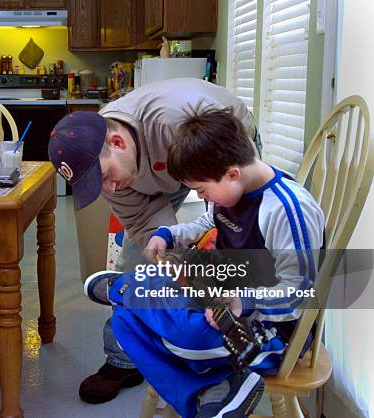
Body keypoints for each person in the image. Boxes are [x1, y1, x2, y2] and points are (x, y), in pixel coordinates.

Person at [86, 106, 324, 417]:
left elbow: (302, 292)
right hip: (221, 300)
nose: (204, 198)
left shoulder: (286, 209)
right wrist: (168, 233)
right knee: (123, 323)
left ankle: (127, 289)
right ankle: (216, 391)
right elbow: (205, 224)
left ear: (232, 173)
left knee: (182, 333)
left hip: (270, 332)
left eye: (201, 190)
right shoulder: (232, 192)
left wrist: (245, 301)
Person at [48, 78, 260, 403]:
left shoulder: (176, 121)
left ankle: (236, 353)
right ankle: (123, 358)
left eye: (104, 178)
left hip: (220, 145)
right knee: (139, 255)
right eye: (95, 185)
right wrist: (171, 265)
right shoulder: (111, 163)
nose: (109, 191)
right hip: (153, 167)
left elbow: (231, 192)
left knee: (231, 249)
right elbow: (142, 222)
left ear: (118, 143)